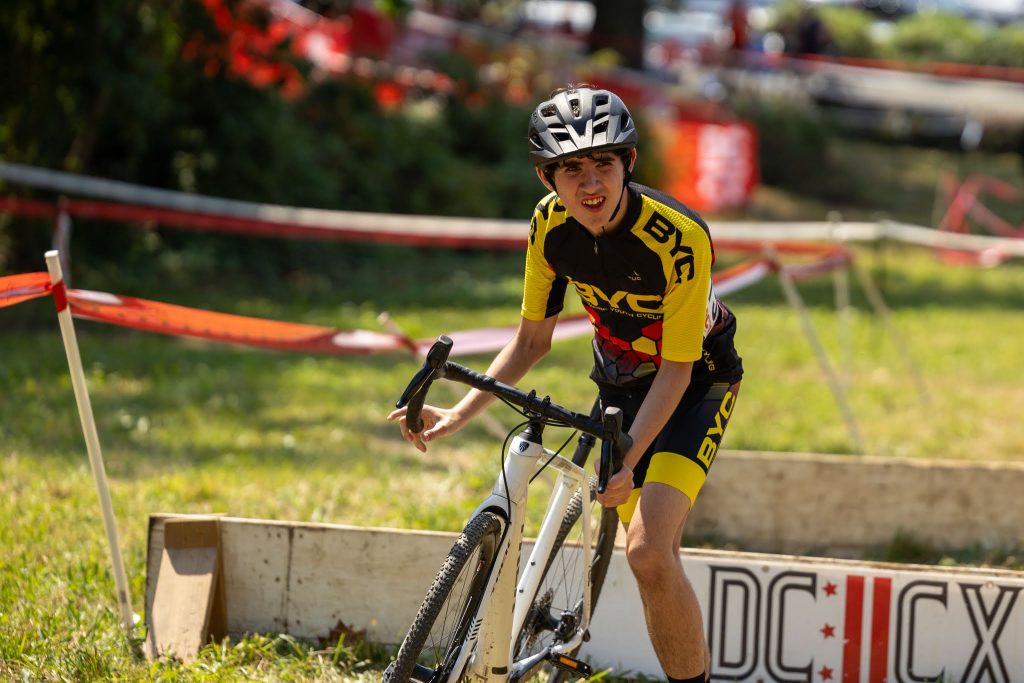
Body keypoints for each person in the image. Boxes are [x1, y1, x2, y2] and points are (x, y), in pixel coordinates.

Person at [388, 84, 743, 683]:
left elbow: (678, 369)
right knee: (644, 543)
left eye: (603, 163)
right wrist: (460, 414)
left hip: (695, 385)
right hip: (620, 382)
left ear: (629, 163)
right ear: (545, 178)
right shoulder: (550, 227)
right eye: (571, 169)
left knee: (650, 553)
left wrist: (629, 455)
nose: (591, 185)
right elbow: (531, 342)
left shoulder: (679, 237)